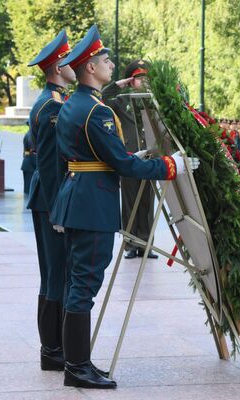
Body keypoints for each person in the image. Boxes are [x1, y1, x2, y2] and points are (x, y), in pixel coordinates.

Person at [50, 25, 198, 389]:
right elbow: (123, 166)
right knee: (83, 286)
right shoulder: (95, 112)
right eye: (105, 60)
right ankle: (77, 368)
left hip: (80, 197)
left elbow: (99, 156)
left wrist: (130, 155)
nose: (111, 64)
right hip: (92, 205)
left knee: (77, 283)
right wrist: (169, 166)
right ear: (90, 69)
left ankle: (78, 362)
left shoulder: (76, 105)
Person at [26, 29, 75, 372]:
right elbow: (48, 163)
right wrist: (60, 208)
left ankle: (53, 347)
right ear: (58, 66)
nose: (75, 64)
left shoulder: (52, 101)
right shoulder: (51, 106)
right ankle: (53, 350)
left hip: (46, 199)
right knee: (56, 274)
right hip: (49, 201)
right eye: (69, 60)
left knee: (54, 273)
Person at [102, 59, 158, 260]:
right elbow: (102, 98)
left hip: (150, 158)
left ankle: (146, 244)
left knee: (147, 202)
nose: (142, 82)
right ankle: (130, 244)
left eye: (145, 78)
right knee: (129, 200)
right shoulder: (121, 101)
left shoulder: (153, 101)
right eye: (137, 78)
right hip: (129, 158)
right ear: (131, 80)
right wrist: (119, 85)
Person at [21, 121, 37, 194]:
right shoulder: (31, 136)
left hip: (27, 163)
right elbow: (33, 151)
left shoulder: (27, 134)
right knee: (29, 189)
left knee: (27, 187)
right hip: (30, 164)